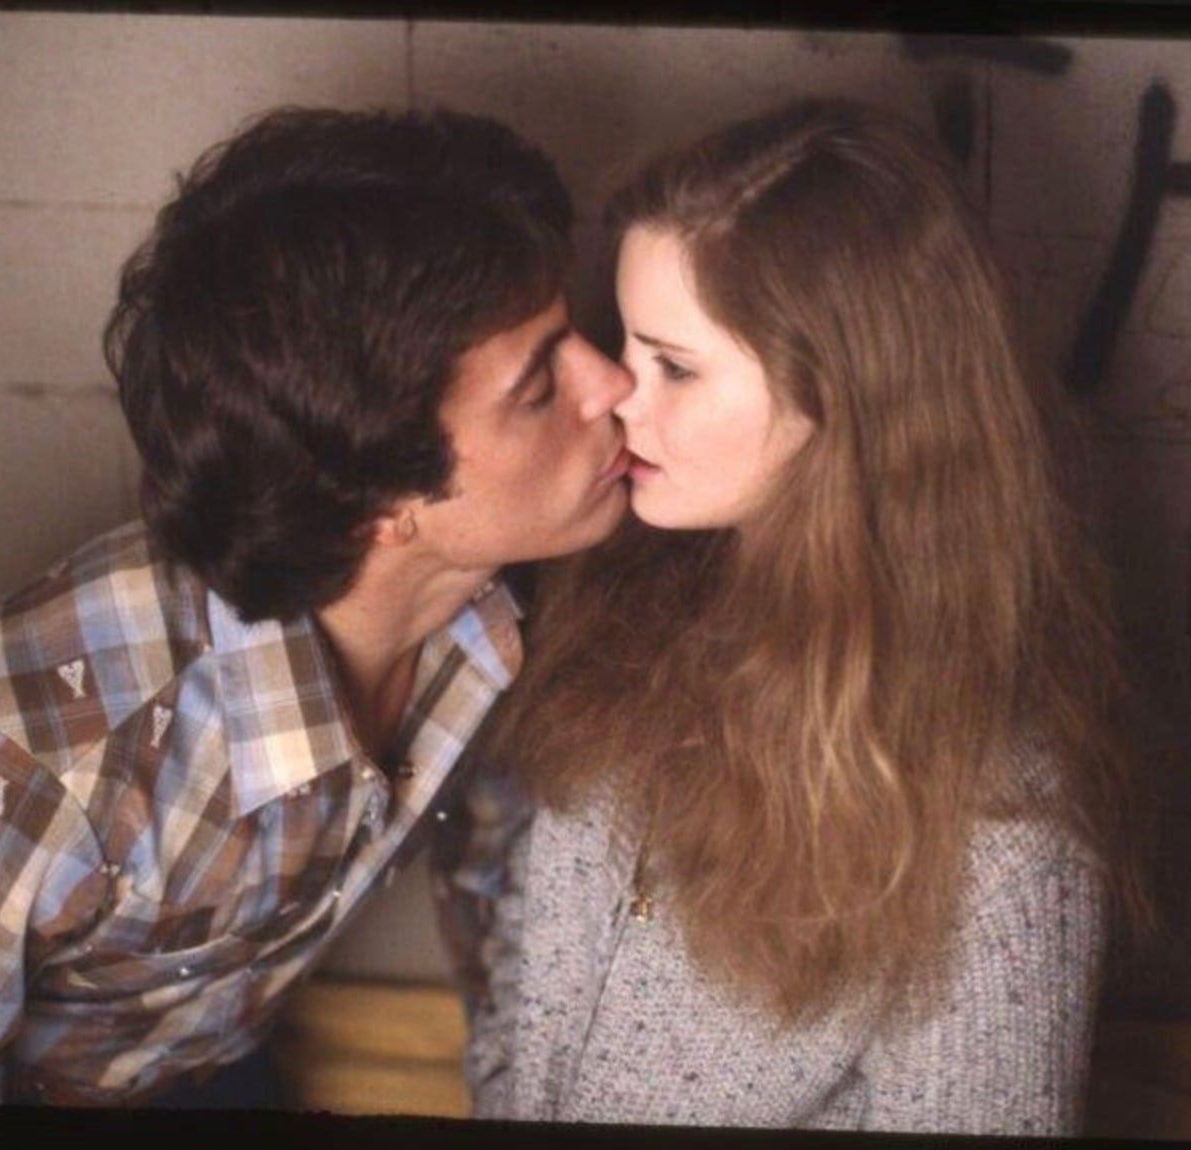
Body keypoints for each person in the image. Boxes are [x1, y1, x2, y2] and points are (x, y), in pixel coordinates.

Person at [0, 105, 634, 1105]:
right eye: (537, 382)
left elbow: (502, 878)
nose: (613, 381)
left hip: (216, 1058)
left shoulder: (500, 603)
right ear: (381, 504)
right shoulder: (36, 773)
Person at [448, 98, 1149, 1134]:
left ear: (847, 399)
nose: (615, 397)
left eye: (675, 366)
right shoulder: (618, 605)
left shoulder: (998, 834)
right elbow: (518, 954)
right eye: (624, 342)